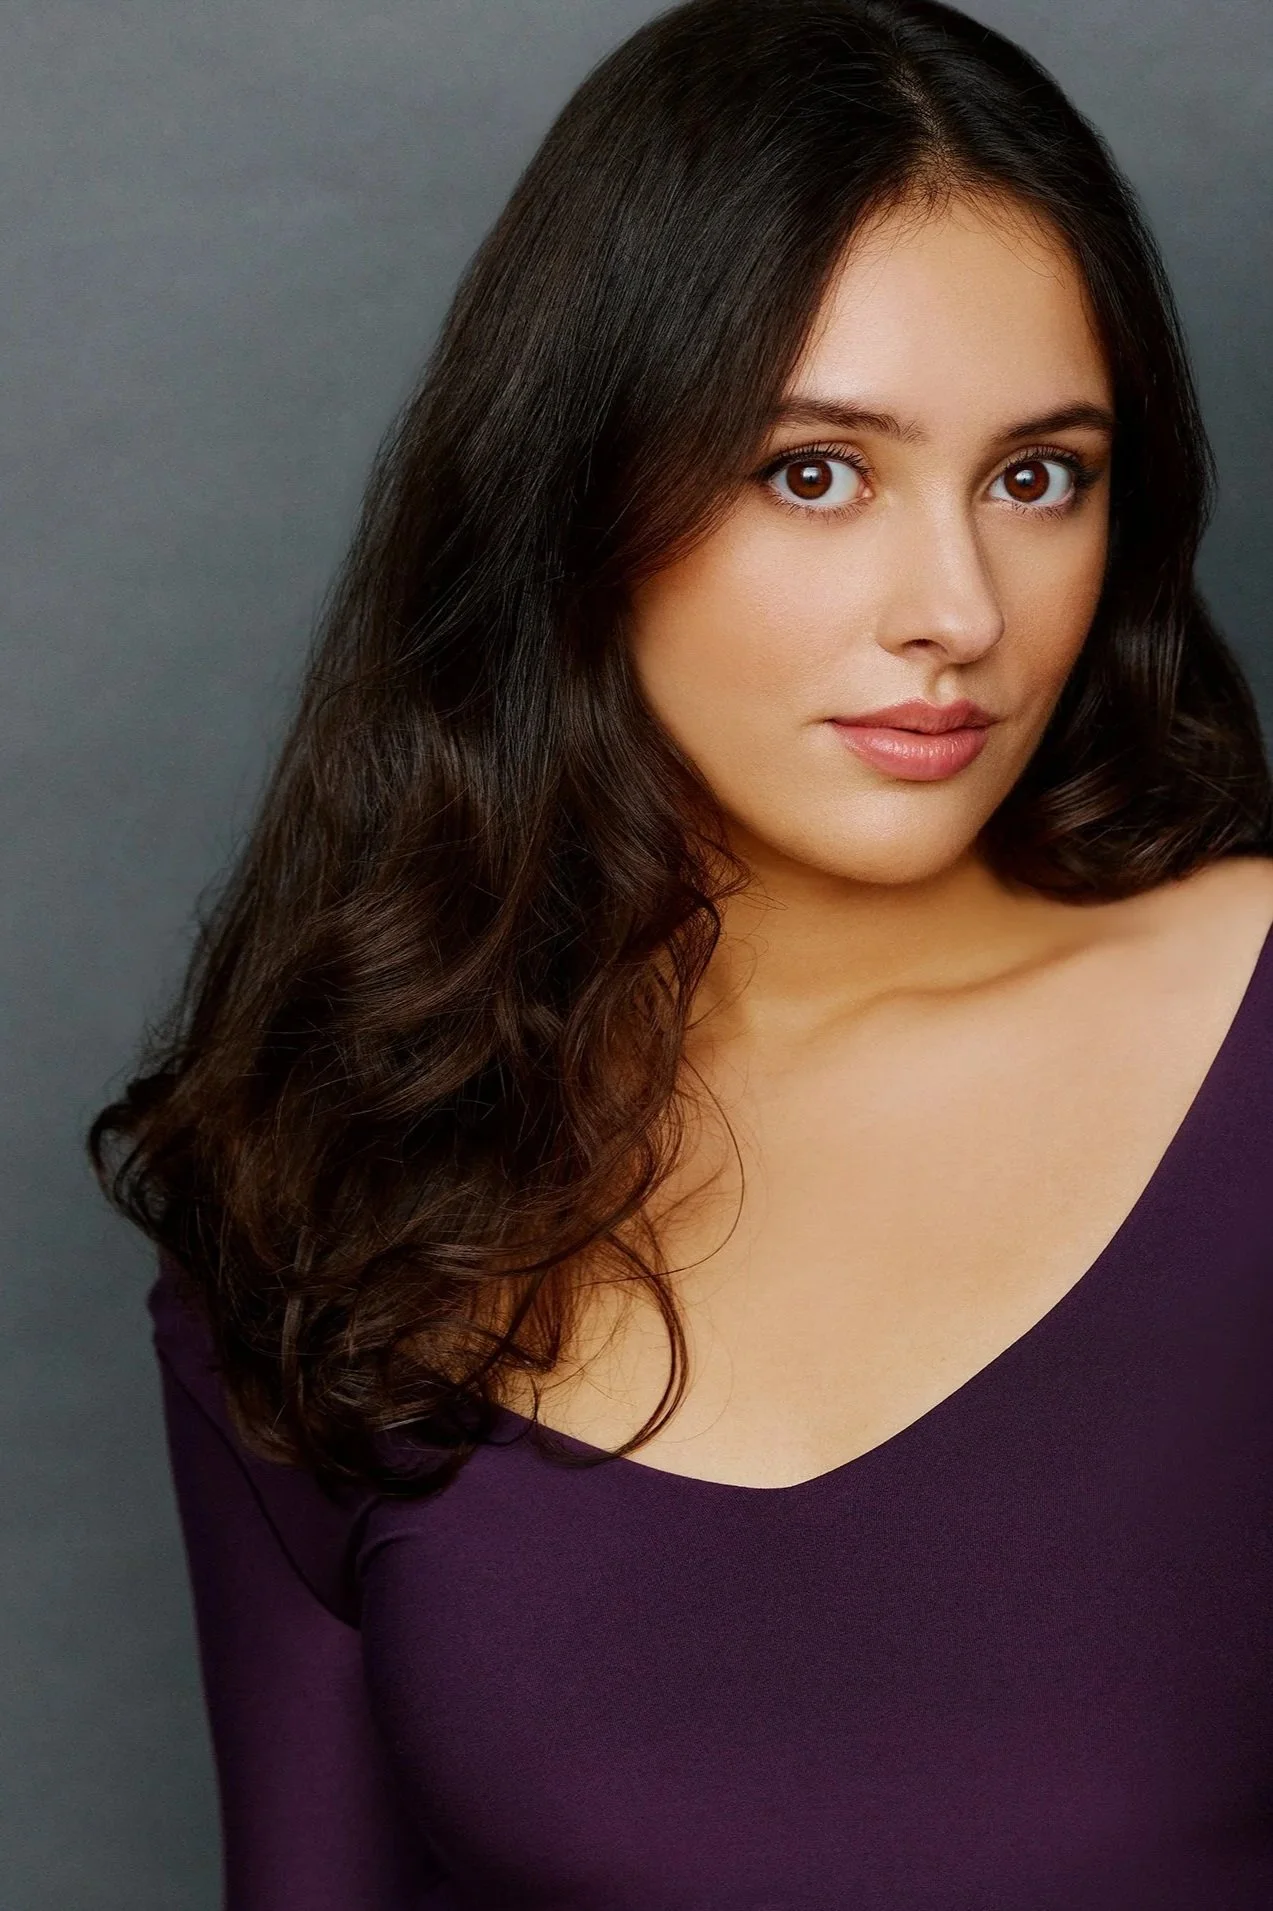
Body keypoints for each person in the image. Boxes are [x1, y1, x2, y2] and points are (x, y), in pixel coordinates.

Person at [91, 0, 1273, 1904]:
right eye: (816, 471)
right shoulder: (330, 1197)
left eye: (1038, 475)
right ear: (583, 494)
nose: (958, 609)